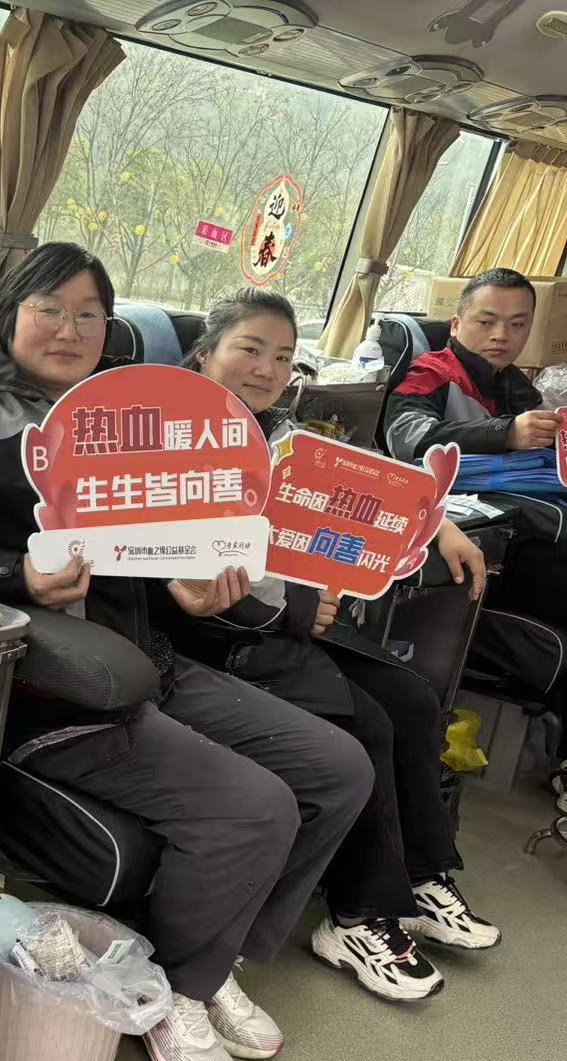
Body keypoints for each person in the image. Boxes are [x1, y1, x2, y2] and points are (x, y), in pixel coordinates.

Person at [0, 242, 374, 1061]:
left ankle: (215, 956)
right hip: (42, 681)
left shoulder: (125, 419)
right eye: (48, 310)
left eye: (89, 314)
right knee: (255, 806)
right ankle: (176, 989)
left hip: (144, 656)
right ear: (7, 315)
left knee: (338, 768)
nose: (69, 329)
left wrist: (193, 585)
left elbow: (160, 541)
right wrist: (11, 574)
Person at [171, 288, 501, 999]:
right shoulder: (175, 433)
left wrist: (437, 526)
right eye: (250, 349)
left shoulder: (281, 436)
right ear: (204, 354)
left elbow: (369, 488)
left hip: (290, 617)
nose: (266, 370)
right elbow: (193, 560)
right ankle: (357, 915)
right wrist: (293, 601)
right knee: (366, 721)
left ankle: (420, 877)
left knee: (412, 698)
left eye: (282, 357)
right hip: (214, 629)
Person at [385, 267, 567, 817]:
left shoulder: (520, 388)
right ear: (457, 322)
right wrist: (504, 433)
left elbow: (556, 478)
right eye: (486, 321)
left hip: (544, 531)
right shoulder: (429, 374)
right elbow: (407, 441)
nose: (501, 335)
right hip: (489, 547)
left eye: (517, 324)